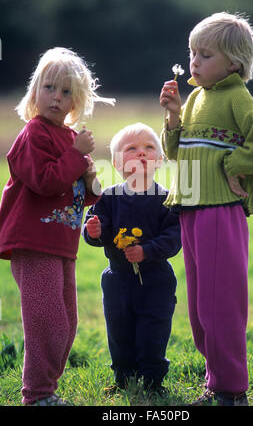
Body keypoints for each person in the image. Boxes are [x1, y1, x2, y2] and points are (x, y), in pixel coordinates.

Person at [159, 12, 253, 406]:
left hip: (220, 213)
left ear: (233, 63)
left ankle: (231, 390)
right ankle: (215, 380)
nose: (194, 61)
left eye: (205, 54)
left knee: (221, 306)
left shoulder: (236, 97)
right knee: (200, 308)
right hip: (192, 210)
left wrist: (234, 166)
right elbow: (175, 154)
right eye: (192, 52)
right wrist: (174, 116)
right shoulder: (197, 97)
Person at [0, 47, 115, 406]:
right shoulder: (34, 134)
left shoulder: (68, 138)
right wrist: (75, 155)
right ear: (35, 92)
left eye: (66, 92)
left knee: (66, 324)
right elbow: (45, 182)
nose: (56, 97)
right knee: (46, 324)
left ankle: (46, 390)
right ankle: (36, 396)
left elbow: (81, 193)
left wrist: (91, 178)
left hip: (63, 244)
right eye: (49, 88)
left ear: (76, 101)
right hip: (33, 242)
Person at [83, 123, 181, 396]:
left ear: (159, 161)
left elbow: (174, 237)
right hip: (117, 278)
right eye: (131, 149)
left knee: (154, 330)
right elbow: (94, 226)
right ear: (116, 162)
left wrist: (147, 250)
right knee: (119, 330)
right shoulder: (108, 198)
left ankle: (152, 380)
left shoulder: (166, 199)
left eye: (149, 148)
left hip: (156, 279)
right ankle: (123, 378)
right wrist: (93, 231)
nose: (141, 154)